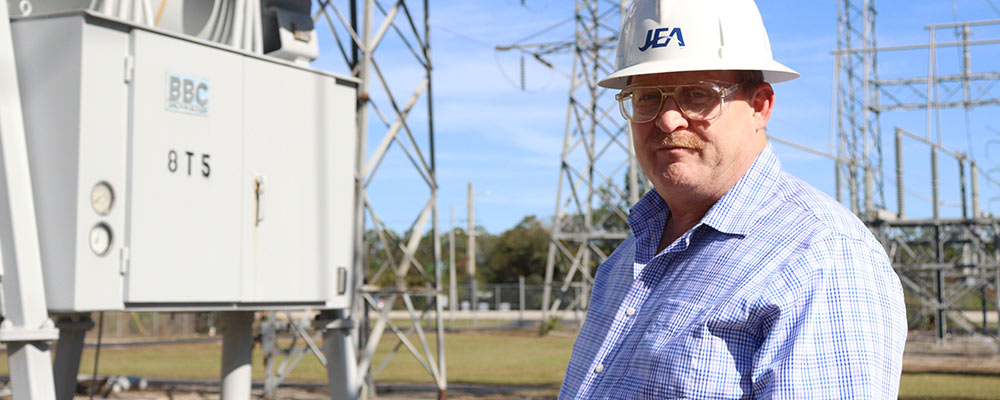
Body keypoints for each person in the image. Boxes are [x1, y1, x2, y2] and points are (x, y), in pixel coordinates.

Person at [558, 0, 908, 398]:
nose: (668, 119)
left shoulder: (820, 258)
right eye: (647, 97)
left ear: (760, 106)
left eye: (697, 94)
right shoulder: (625, 263)